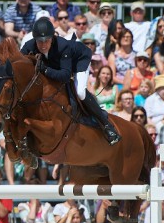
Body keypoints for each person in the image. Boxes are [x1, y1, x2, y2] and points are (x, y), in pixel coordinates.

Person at [20, 17, 120, 145]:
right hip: (58, 65)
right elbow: (18, 63)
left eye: (46, 40)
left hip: (79, 60)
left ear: (52, 38)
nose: (43, 45)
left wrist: (45, 70)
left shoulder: (62, 47)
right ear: (35, 39)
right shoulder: (29, 46)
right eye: (40, 41)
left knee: (80, 92)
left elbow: (66, 76)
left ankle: (106, 124)